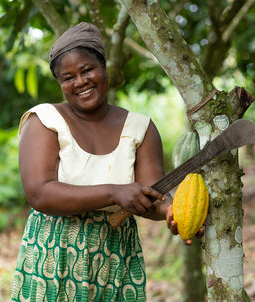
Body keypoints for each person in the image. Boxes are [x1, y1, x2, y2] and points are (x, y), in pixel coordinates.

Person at [10, 22, 178, 302]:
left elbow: (151, 197)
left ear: (104, 66)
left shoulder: (140, 128)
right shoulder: (45, 120)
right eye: (68, 77)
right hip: (55, 252)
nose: (80, 82)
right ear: (60, 83)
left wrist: (172, 211)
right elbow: (39, 193)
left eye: (87, 70)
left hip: (116, 252)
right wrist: (114, 192)